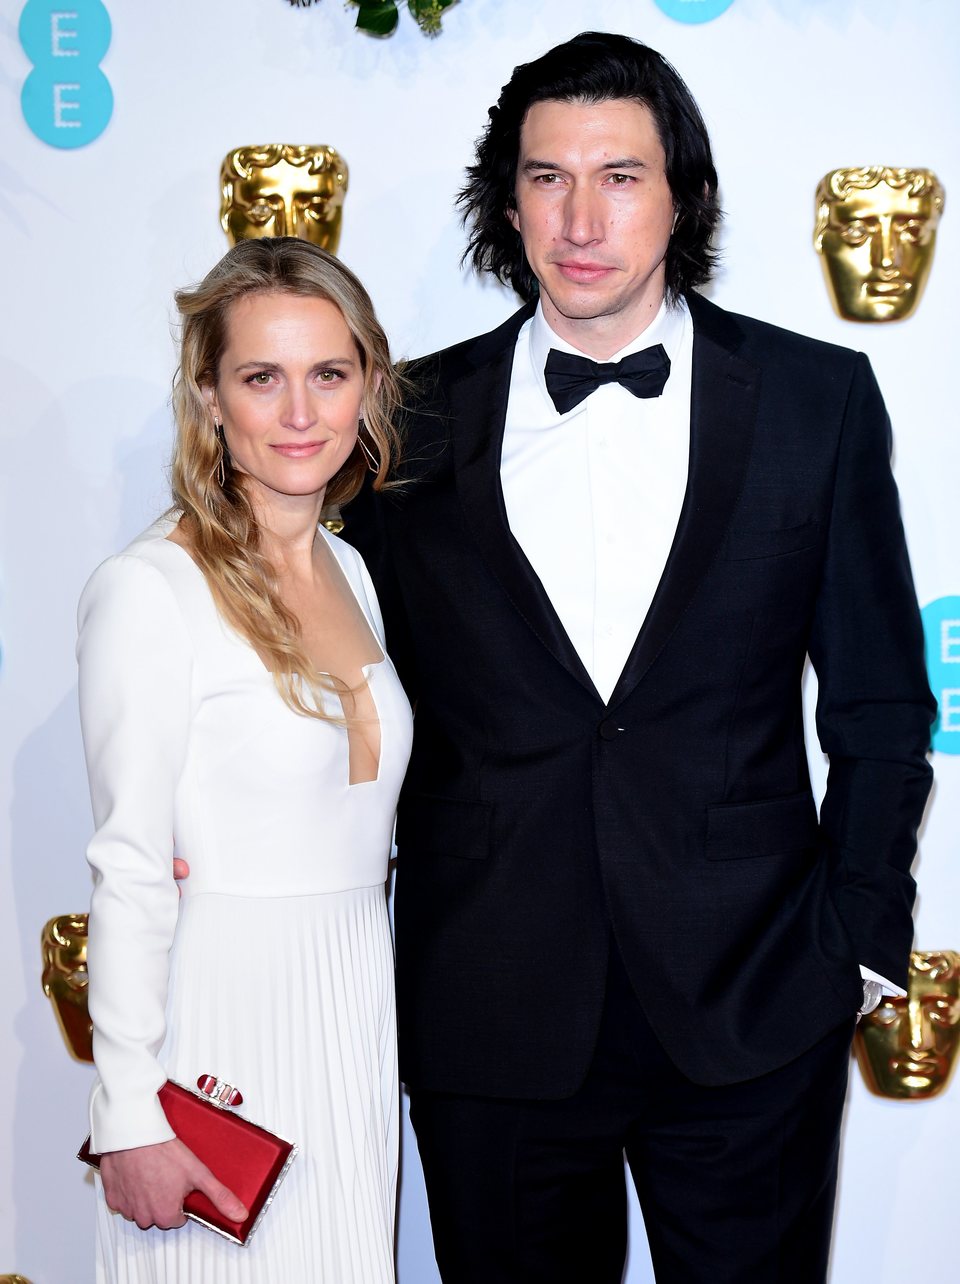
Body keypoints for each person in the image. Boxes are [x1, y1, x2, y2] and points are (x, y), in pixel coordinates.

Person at [341, 32, 935, 1284]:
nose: (582, 217)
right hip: (490, 1007)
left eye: (620, 175)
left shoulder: (814, 398)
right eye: (548, 178)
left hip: (756, 1002)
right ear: (507, 204)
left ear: (684, 196)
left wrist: (858, 940)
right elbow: (342, 687)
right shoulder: (405, 422)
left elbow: (881, 700)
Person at [78, 236, 412, 1282]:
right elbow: (131, 862)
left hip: (354, 1010)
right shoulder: (151, 588)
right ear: (211, 399)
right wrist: (129, 1108)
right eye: (262, 378)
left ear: (368, 387)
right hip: (222, 1025)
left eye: (329, 374)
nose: (301, 413)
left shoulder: (355, 569)